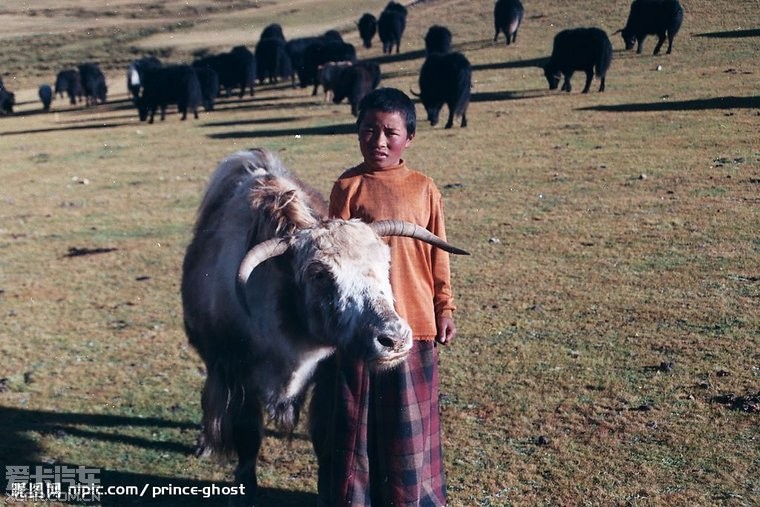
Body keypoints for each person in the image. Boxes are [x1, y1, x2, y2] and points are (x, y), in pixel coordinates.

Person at [313, 87, 458, 506]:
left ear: (409, 138)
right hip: (360, 328)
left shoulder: (424, 188)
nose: (379, 141)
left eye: (390, 132)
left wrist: (444, 307)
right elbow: (333, 258)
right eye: (369, 130)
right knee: (356, 428)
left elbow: (438, 254)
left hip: (414, 323)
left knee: (407, 430)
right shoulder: (348, 186)